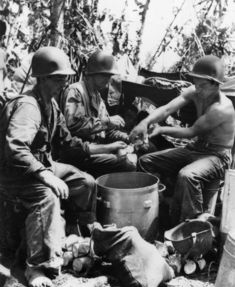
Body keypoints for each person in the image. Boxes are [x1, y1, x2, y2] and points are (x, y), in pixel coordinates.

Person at [0, 46, 98, 287]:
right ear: (42, 79)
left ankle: (77, 229)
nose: (63, 85)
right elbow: (16, 149)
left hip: (42, 165)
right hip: (14, 174)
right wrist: (46, 176)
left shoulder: (51, 106)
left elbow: (67, 141)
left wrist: (104, 149)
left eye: (65, 79)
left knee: (85, 182)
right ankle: (37, 265)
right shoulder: (28, 106)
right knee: (46, 196)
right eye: (57, 80)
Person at [130, 55, 235, 227]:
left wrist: (160, 129)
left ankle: (189, 226)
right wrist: (145, 122)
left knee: (187, 175)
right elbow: (167, 109)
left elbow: (190, 131)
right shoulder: (195, 91)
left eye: (203, 86)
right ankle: (162, 205)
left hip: (217, 156)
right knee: (145, 161)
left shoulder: (221, 108)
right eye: (196, 83)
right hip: (196, 148)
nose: (198, 89)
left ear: (216, 85)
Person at [60, 50, 136, 178]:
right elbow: (73, 124)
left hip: (95, 149)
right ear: (92, 74)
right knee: (126, 164)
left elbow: (105, 131)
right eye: (104, 75)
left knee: (131, 155)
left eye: (109, 76)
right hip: (79, 153)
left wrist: (127, 137)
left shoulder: (97, 97)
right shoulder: (76, 91)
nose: (108, 80)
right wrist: (107, 122)